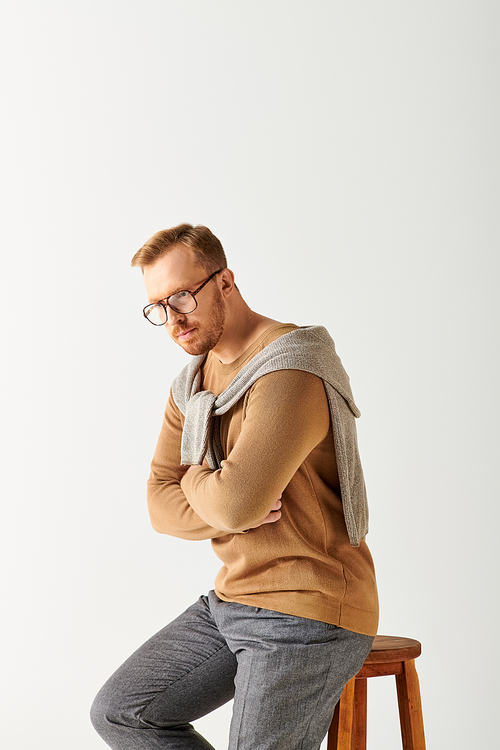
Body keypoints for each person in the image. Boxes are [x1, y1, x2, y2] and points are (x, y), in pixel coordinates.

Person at [91, 223, 378, 750]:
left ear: (225, 282)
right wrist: (223, 501)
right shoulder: (191, 385)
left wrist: (199, 479)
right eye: (158, 306)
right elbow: (160, 503)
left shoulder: (290, 367)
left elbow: (236, 500)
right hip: (232, 598)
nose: (173, 319)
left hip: (308, 605)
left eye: (182, 296)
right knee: (122, 712)